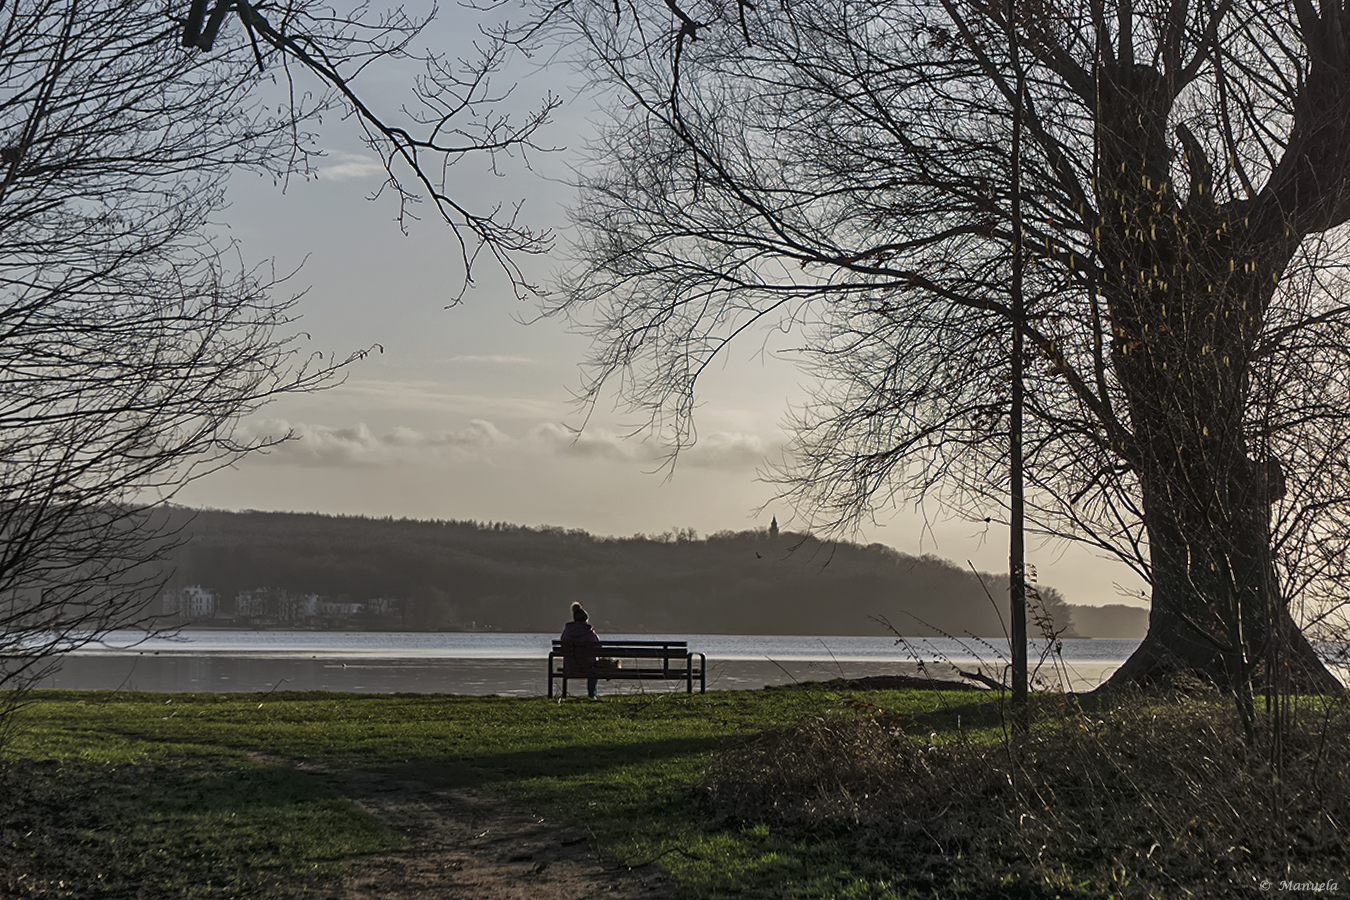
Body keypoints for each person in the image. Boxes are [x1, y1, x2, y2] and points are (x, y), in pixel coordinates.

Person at [559, 602, 602, 698]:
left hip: (570, 665)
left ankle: (564, 694)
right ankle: (592, 694)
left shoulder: (567, 631)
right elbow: (598, 647)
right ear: (585, 620)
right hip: (587, 666)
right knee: (594, 669)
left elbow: (562, 645)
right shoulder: (589, 632)